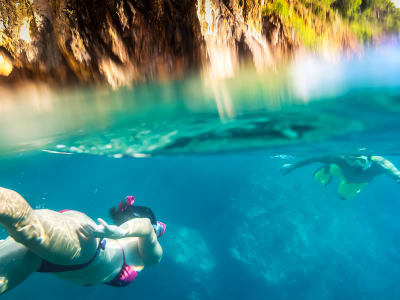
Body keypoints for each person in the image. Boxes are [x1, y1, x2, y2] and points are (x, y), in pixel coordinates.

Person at [0, 190, 165, 294]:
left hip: (43, 261)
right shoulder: (146, 253)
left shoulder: (145, 252)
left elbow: (145, 227)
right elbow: (144, 226)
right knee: (24, 221)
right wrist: (122, 232)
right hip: (87, 246)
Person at [281, 154, 400, 199]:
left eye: (361, 161)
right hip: (340, 171)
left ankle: (330, 168)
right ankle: (328, 168)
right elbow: (315, 157)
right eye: (352, 160)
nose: (356, 164)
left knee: (343, 197)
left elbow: (395, 173)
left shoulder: (379, 163)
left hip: (357, 183)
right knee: (329, 167)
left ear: (368, 160)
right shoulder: (341, 160)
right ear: (347, 157)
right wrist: (292, 166)